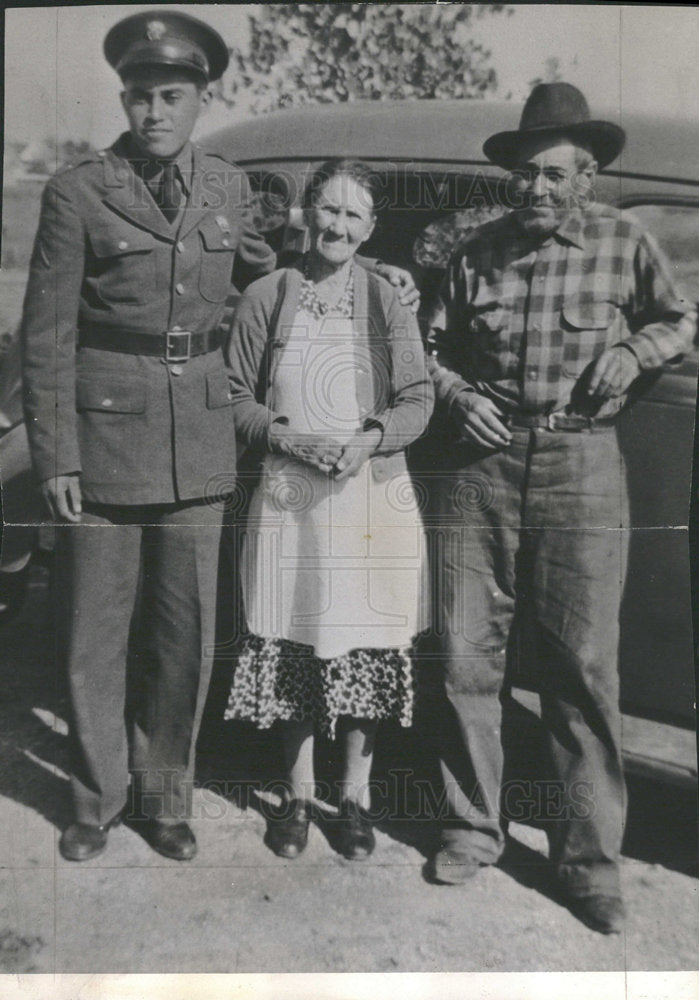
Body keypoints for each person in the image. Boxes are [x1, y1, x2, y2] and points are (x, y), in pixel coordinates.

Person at [423, 83, 695, 932]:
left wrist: (633, 348)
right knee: (467, 660)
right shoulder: (476, 255)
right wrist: (455, 394)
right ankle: (472, 828)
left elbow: (680, 318)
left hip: (581, 467)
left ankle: (588, 865)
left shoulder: (625, 242)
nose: (533, 191)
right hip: (482, 468)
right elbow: (424, 349)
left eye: (551, 176)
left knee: (582, 671)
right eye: (522, 175)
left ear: (586, 177)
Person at [223, 159, 434, 860]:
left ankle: (354, 799)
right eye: (328, 209)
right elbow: (231, 395)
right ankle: (296, 796)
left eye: (353, 215)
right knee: (293, 646)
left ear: (369, 228)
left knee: (362, 651)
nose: (337, 225)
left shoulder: (385, 300)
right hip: (289, 501)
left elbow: (416, 399)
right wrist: (281, 434)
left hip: (368, 501)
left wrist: (369, 439)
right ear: (304, 213)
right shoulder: (268, 294)